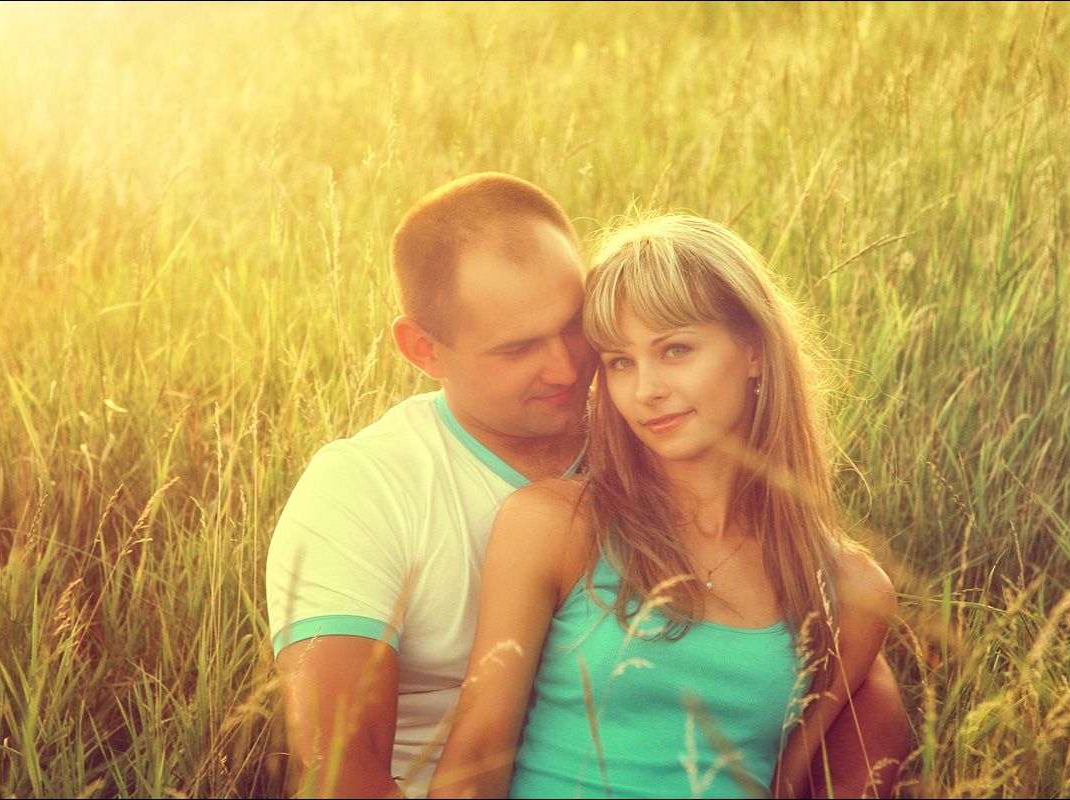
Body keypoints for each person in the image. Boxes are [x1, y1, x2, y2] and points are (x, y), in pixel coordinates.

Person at [268, 174, 908, 799]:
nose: (570, 368)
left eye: (576, 329)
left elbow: (822, 739)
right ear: (424, 350)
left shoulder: (822, 567)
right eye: (518, 349)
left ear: (755, 351)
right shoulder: (370, 491)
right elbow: (341, 773)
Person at [431, 214, 902, 799]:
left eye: (675, 350)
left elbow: (786, 784)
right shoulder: (556, 525)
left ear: (754, 351)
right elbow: (476, 758)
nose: (646, 389)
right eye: (620, 361)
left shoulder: (850, 590)